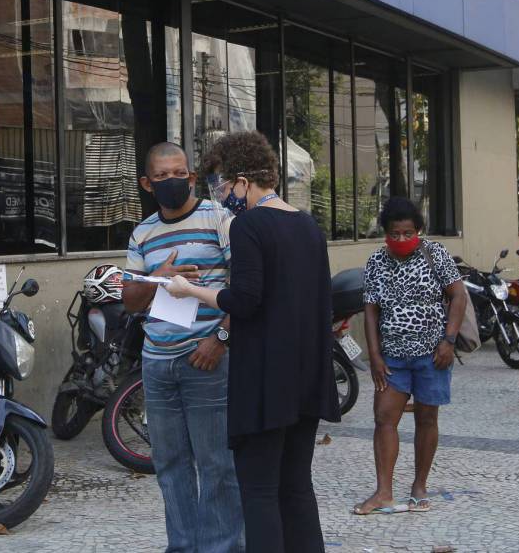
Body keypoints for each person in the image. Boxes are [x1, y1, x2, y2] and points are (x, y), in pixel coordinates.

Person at [166, 131, 340, 552]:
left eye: (224, 186)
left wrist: (189, 291)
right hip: (308, 377)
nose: (222, 196)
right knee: (296, 487)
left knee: (259, 490)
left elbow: (243, 300)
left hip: (266, 379)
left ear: (244, 180)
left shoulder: (248, 226)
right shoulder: (307, 225)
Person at [121, 141, 243, 553]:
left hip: (207, 361)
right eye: (161, 176)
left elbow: (244, 289)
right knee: (170, 467)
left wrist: (220, 340)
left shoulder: (219, 219)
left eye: (179, 174)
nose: (172, 182)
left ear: (192, 177)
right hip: (157, 364)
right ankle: (184, 546)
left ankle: (223, 547)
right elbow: (131, 300)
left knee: (217, 466)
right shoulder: (143, 233)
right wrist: (159, 273)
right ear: (147, 183)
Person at [348, 197, 466, 515]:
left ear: (418, 231)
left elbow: (458, 295)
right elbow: (370, 311)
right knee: (384, 418)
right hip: (393, 358)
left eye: (408, 233)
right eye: (395, 233)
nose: (401, 239)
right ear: (386, 233)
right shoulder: (376, 262)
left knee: (427, 419)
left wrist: (449, 340)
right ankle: (383, 491)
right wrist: (374, 355)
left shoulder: (435, 253)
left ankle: (419, 486)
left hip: (433, 355)